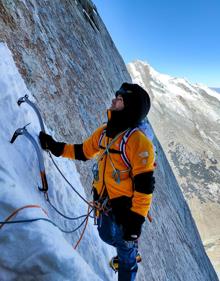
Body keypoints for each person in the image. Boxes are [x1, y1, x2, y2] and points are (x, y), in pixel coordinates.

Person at [39, 82, 155, 281]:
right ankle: (128, 249)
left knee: (124, 249)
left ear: (129, 107)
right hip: (104, 202)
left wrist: (135, 223)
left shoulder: (139, 143)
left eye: (119, 99)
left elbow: (145, 187)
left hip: (126, 210)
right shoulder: (104, 132)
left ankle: (128, 260)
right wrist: (55, 147)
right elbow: (83, 151)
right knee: (106, 236)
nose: (113, 100)